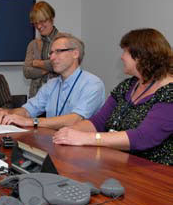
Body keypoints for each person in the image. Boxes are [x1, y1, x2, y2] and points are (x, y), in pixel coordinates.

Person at [53, 29, 173, 166]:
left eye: (125, 52)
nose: (122, 57)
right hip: (119, 163)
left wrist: (86, 138)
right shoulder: (127, 86)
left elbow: (143, 137)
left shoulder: (169, 92)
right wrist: (69, 132)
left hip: (156, 174)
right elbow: (98, 122)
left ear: (140, 56)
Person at [0, 33, 105, 129]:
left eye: (58, 51)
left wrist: (32, 122)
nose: (52, 58)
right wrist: (7, 113)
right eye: (51, 53)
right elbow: (27, 111)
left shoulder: (93, 84)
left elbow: (75, 120)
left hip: (82, 149)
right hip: (54, 142)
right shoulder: (51, 84)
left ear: (75, 53)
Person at [24, 1, 60, 98]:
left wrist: (37, 63)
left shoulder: (64, 41)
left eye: (42, 21)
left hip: (57, 98)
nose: (39, 26)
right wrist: (49, 67)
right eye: (35, 23)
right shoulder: (33, 44)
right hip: (35, 99)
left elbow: (61, 66)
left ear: (51, 19)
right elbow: (27, 72)